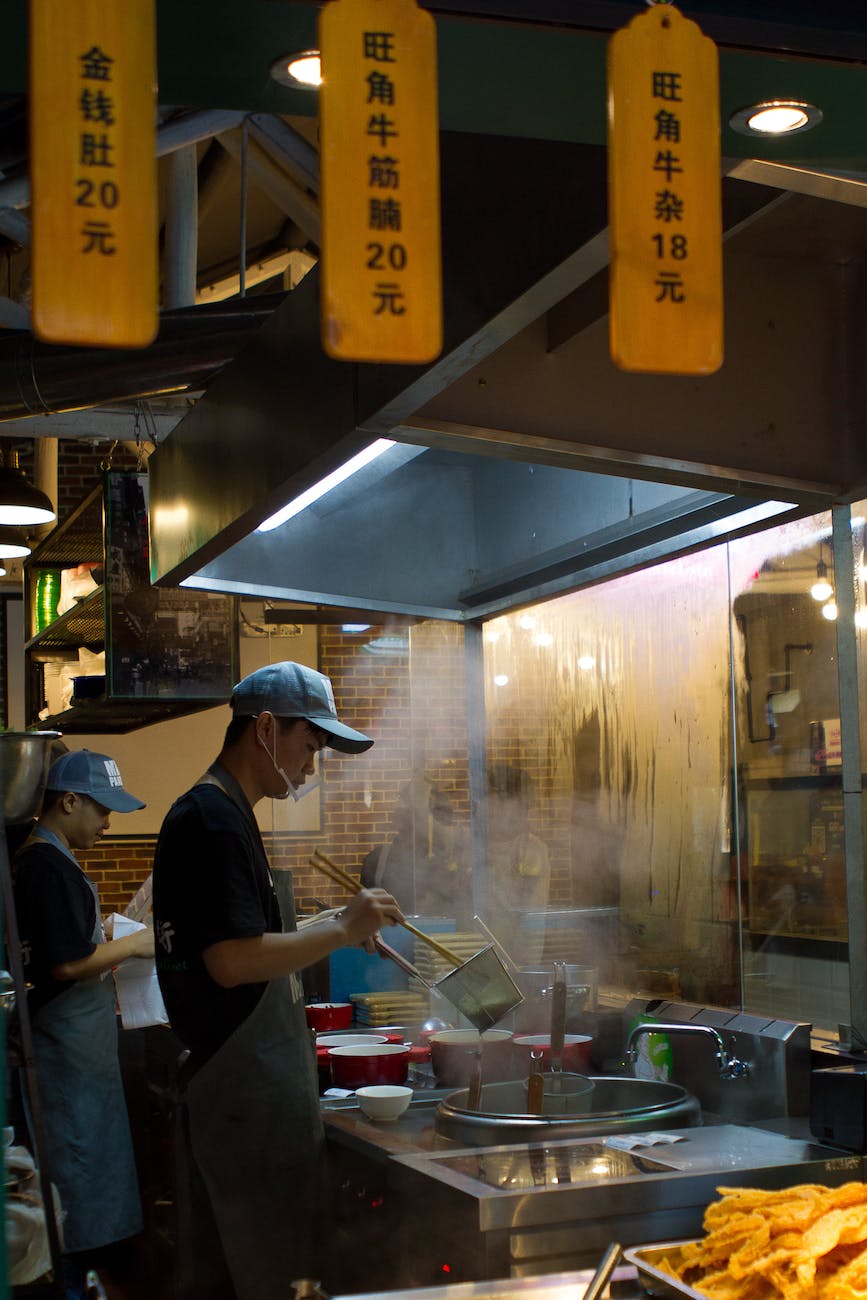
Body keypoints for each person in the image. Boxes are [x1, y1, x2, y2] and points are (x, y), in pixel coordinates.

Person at [152, 661, 404, 1300]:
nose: (312, 767)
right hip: (242, 1103)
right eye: (310, 746)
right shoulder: (212, 818)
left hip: (250, 1102)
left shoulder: (226, 811)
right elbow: (231, 961)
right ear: (266, 729)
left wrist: (331, 924)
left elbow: (243, 936)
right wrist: (341, 929)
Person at [12, 749, 154, 1300]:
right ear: (68, 802)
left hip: (75, 1052)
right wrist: (135, 944)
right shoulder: (47, 865)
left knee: (79, 1181)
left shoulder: (43, 859)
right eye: (102, 809)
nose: (108, 822)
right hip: (65, 1055)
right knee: (73, 1187)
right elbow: (67, 964)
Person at [361, 775, 469, 916]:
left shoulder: (450, 863)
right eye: (412, 814)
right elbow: (365, 917)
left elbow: (460, 911)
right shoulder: (376, 862)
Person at [485, 762, 551, 966]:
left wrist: (523, 971)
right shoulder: (472, 845)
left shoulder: (531, 850)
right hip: (471, 958)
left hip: (508, 964)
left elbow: (532, 924)